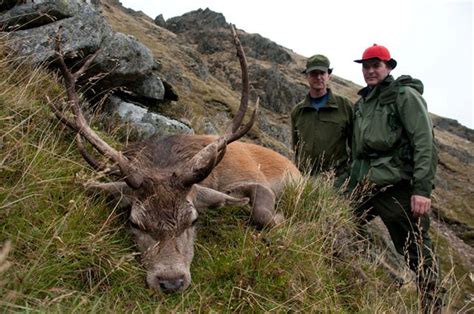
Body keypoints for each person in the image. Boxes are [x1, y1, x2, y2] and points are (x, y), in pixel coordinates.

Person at [348, 44, 442, 312]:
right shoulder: (363, 102)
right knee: (336, 223)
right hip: (365, 186)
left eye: (376, 65)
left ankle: (433, 307)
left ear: (388, 67)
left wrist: (422, 190)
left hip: (398, 188)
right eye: (366, 66)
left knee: (417, 254)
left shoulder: (405, 96)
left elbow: (425, 143)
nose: (370, 71)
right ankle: (358, 284)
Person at [290, 54, 353, 187]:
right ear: (307, 76)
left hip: (336, 182)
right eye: (313, 73)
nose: (318, 77)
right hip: (305, 182)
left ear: (328, 75)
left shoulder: (345, 106)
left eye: (322, 73)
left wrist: (347, 176)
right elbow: (296, 148)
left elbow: (356, 145)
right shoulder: (298, 111)